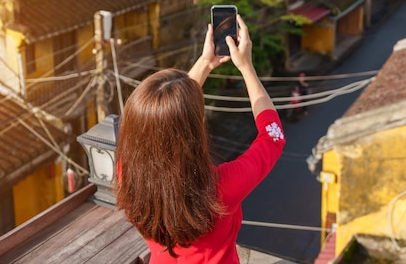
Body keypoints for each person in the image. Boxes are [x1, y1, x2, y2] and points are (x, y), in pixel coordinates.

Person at [115, 14, 285, 263]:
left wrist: (206, 62)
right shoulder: (219, 188)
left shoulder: (127, 172)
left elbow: (165, 117)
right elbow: (273, 137)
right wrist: (247, 68)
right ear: (191, 131)